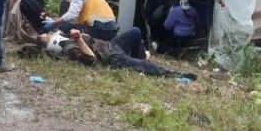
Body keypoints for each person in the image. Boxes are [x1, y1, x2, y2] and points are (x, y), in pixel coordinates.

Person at [39, 27, 195, 80]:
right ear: (50, 43)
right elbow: (91, 59)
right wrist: (79, 39)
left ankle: (139, 60)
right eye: (47, 35)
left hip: (111, 46)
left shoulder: (66, 36)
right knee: (143, 65)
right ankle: (175, 75)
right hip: (112, 58)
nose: (50, 32)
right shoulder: (67, 47)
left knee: (135, 32)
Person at [48, 0, 117, 41]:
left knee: (63, 27)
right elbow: (75, 19)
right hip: (108, 27)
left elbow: (72, 13)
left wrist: (55, 22)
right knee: (67, 26)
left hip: (100, 27)